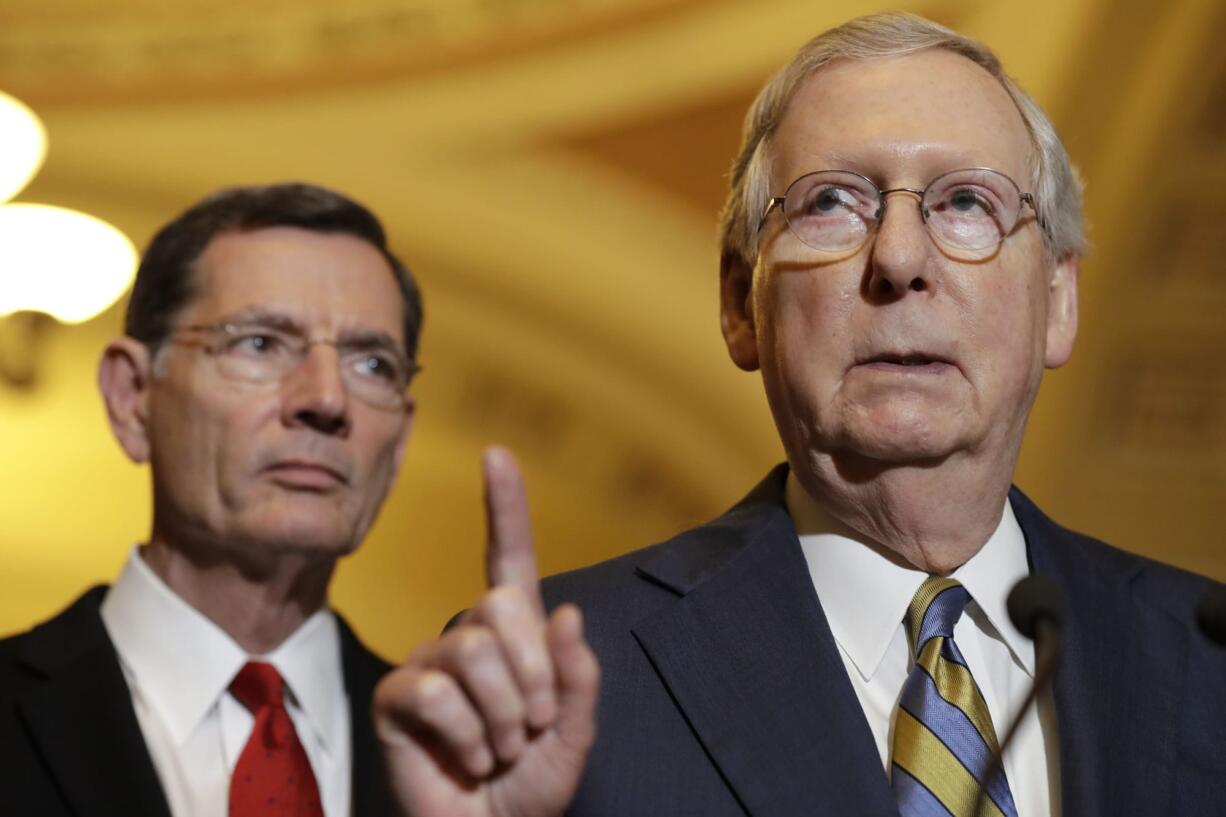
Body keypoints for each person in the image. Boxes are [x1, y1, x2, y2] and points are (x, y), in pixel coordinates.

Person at [373, 12, 1226, 817]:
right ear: (740, 304)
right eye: (832, 202)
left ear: (1059, 298)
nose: (898, 258)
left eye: (967, 202)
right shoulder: (574, 683)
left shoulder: (1207, 661)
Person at [0, 182, 425, 817]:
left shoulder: (451, 753)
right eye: (260, 343)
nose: (327, 400)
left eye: (372, 365)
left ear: (398, 443)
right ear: (132, 396)